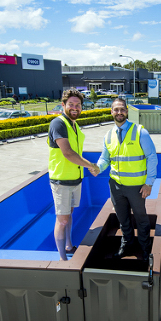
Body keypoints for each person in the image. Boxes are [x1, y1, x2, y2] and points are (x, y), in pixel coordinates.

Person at [95, 98, 158, 259]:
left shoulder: (139, 132)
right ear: (111, 112)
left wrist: (149, 183)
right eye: (116, 109)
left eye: (122, 109)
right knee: (122, 219)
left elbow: (152, 157)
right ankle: (127, 244)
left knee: (141, 219)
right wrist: (97, 167)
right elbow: (105, 159)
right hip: (116, 186)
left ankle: (145, 248)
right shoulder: (108, 135)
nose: (119, 112)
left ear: (127, 111)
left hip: (136, 187)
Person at [48, 89, 99, 261]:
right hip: (61, 181)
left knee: (69, 215)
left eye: (78, 105)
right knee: (62, 220)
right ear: (63, 105)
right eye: (71, 104)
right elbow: (68, 153)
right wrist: (90, 165)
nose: (75, 107)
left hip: (75, 179)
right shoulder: (58, 123)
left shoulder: (74, 125)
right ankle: (63, 260)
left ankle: (69, 246)